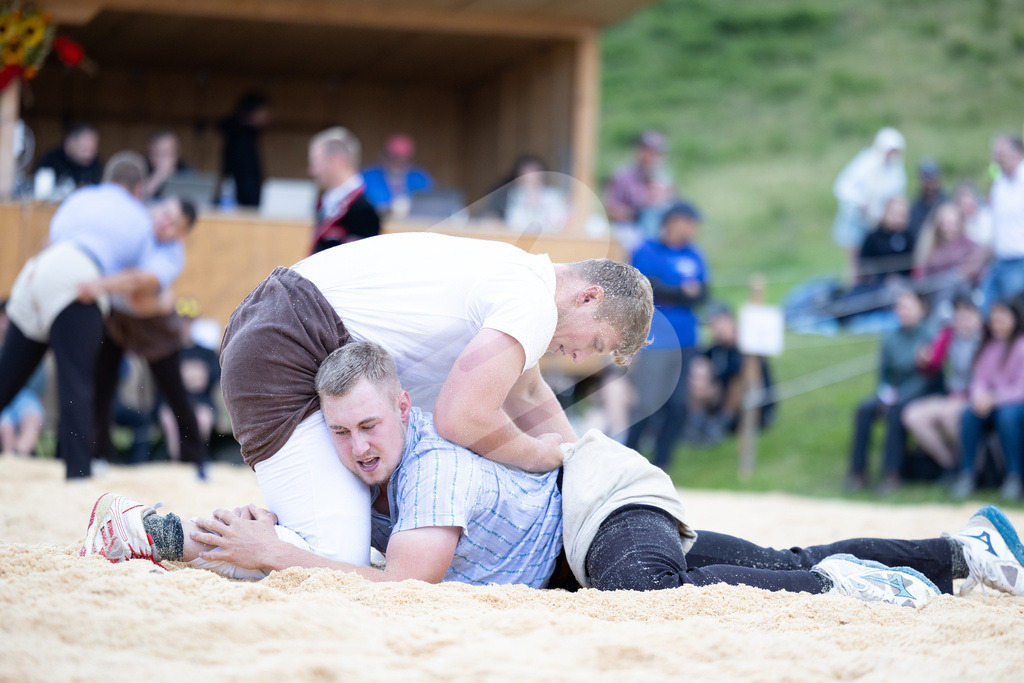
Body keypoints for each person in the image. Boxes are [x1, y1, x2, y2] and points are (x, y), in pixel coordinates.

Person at [81, 342, 1024, 608]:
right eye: (341, 432)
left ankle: (848, 587)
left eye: (371, 423)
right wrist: (185, 540)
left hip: (595, 507)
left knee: (647, 591)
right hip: (574, 540)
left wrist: (279, 554)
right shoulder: (361, 480)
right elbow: (304, 546)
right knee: (762, 553)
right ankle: (963, 548)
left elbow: (402, 588)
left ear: (402, 411)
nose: (359, 444)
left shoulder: (431, 470)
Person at [213, 232, 654, 569]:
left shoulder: (522, 275)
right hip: (285, 341)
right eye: (594, 341)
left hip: (276, 322)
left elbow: (530, 392)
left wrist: (575, 463)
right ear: (588, 296)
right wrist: (541, 456)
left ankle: (184, 537)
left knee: (326, 548)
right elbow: (459, 418)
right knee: (336, 561)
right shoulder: (532, 304)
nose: (579, 356)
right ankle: (169, 537)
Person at [0, 152, 185, 479]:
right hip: (79, 278)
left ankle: (78, 469)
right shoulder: (140, 218)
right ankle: (78, 474)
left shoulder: (81, 197)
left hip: (36, 271)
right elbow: (139, 284)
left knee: (6, 377)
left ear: (107, 179)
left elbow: (54, 237)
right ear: (139, 189)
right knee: (77, 383)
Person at [91, 197, 208, 479]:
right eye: (165, 213)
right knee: (101, 385)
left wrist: (113, 282)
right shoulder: (135, 225)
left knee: (175, 393)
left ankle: (197, 462)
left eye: (174, 224)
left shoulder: (173, 256)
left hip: (154, 327)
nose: (164, 222)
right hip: (115, 318)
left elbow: (139, 295)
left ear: (182, 233)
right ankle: (96, 456)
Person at [626, 202, 710, 468]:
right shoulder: (647, 249)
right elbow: (645, 286)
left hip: (686, 339)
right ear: (674, 221)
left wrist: (675, 291)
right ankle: (630, 461)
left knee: (678, 405)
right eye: (690, 222)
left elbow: (705, 292)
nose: (694, 229)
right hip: (655, 339)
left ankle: (663, 465)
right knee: (647, 404)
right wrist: (683, 292)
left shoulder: (694, 254)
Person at [846, 289, 941, 495]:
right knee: (864, 409)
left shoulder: (931, 335)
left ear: (921, 308)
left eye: (907, 307)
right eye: (899, 307)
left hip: (922, 393)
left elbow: (927, 378)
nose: (902, 312)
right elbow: (884, 374)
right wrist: (884, 394)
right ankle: (857, 473)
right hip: (894, 393)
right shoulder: (890, 337)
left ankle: (892, 473)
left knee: (897, 410)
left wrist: (898, 397)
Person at [901, 294, 984, 478]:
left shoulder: (986, 339)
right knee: (912, 416)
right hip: (952, 397)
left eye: (967, 315)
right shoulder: (949, 335)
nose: (962, 320)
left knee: (949, 415)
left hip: (974, 398)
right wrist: (923, 360)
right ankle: (949, 465)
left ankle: (975, 467)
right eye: (958, 315)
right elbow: (932, 366)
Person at [951, 298, 1024, 501]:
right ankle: (967, 473)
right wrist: (979, 397)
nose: (996, 324)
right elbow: (979, 380)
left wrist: (993, 398)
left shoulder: (1020, 346)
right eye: (994, 320)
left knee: (1008, 417)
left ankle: (1014, 476)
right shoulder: (988, 347)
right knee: (969, 413)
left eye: (1001, 320)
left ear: (1014, 319)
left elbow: (1020, 389)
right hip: (992, 404)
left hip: (1015, 405)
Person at [832, 127, 907, 282]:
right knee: (854, 261)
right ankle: (852, 289)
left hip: (876, 223)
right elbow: (843, 187)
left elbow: (896, 196)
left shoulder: (896, 171)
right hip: (855, 219)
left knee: (871, 261)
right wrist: (860, 202)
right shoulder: (865, 163)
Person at [308, 127, 380, 253]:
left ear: (336, 160)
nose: (312, 171)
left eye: (316, 163)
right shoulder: (327, 202)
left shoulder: (362, 209)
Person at [603, 130, 677, 252]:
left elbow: (673, 206)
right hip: (631, 228)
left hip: (659, 229)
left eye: (659, 153)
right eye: (650, 152)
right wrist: (639, 211)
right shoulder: (622, 176)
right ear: (639, 151)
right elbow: (610, 209)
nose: (654, 157)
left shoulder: (665, 179)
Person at [913, 202, 987, 309]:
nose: (949, 228)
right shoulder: (930, 248)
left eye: (953, 223)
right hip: (933, 293)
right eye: (945, 223)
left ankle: (943, 312)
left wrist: (956, 274)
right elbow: (921, 275)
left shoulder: (970, 246)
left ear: (960, 223)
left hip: (964, 293)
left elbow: (976, 268)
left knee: (950, 280)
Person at [980, 134, 1024, 311]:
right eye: (995, 154)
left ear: (1017, 153)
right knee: (985, 309)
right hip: (998, 261)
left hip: (1019, 261)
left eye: (1001, 153)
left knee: (1014, 311)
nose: (997, 158)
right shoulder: (999, 185)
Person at [0, 300, 45, 457]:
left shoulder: (29, 346)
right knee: (6, 427)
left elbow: (40, 383)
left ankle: (20, 458)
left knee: (32, 418)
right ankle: (10, 458)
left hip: (25, 395)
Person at [361, 133, 433, 217]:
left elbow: (430, 208)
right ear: (383, 155)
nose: (398, 163)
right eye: (393, 158)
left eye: (403, 160)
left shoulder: (420, 179)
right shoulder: (366, 178)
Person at [219, 91, 270, 208]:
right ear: (254, 112)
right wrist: (253, 201)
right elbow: (246, 175)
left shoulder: (246, 135)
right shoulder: (241, 138)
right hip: (241, 201)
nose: (267, 117)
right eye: (264, 112)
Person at [503, 158, 570, 234]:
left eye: (535, 177)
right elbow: (512, 222)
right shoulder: (516, 195)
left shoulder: (553, 195)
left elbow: (560, 221)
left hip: (549, 239)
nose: (531, 181)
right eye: (527, 178)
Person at [34, 122, 103, 190]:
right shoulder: (49, 161)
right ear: (70, 143)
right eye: (84, 149)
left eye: (93, 150)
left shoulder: (96, 164)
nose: (89, 155)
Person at [140, 130, 192, 201]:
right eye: (159, 153)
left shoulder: (186, 170)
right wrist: (159, 176)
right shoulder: (140, 167)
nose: (164, 159)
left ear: (176, 154)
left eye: (168, 153)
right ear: (150, 153)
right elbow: (137, 198)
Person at [907, 158, 946, 240]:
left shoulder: (947, 205)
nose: (929, 184)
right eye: (926, 179)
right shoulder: (914, 208)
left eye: (932, 179)